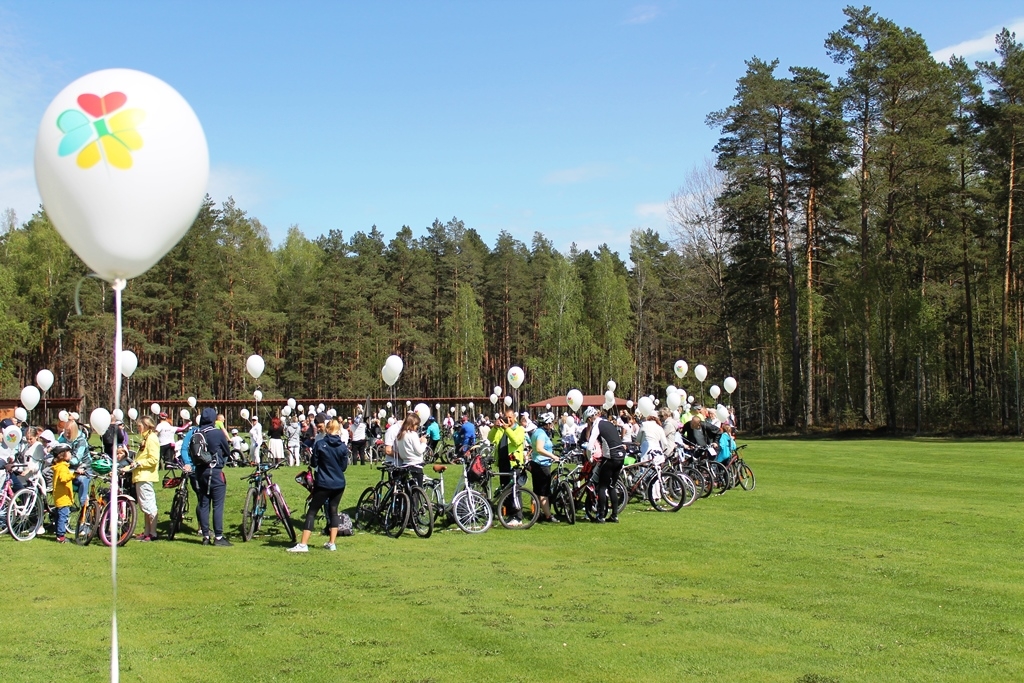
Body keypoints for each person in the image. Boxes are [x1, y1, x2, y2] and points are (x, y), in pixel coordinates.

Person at [288, 419, 349, 553]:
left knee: (312, 512)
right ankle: (332, 543)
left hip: (324, 483)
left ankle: (303, 544)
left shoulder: (320, 444)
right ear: (338, 430)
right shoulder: (343, 447)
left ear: (327, 429)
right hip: (339, 483)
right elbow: (344, 467)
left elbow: (314, 463)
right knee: (334, 511)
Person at [194, 407, 233, 546]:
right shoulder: (217, 433)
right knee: (218, 505)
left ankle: (205, 536)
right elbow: (227, 450)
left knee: (204, 504)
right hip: (215, 472)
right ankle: (218, 537)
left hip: (200, 472)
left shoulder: (197, 432)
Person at [585, 407, 626, 523]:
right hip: (621, 456)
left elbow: (589, 446)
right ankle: (614, 515)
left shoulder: (597, 425)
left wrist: (590, 459)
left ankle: (601, 516)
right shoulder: (608, 423)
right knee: (612, 486)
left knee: (602, 486)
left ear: (589, 419)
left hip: (610, 457)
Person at [488, 408, 527, 526]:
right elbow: (490, 439)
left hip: (514, 464)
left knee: (515, 490)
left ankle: (518, 516)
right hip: (503, 463)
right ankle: (510, 514)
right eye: (506, 417)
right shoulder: (500, 429)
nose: (508, 420)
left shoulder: (519, 429)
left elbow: (516, 441)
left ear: (514, 418)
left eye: (510, 417)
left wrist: (507, 429)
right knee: (505, 490)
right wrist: (495, 428)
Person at [124, 417, 160, 541]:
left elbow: (154, 459)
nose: (138, 429)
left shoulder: (152, 438)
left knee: (150, 506)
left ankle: (153, 533)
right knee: (145, 507)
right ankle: (146, 532)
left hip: (145, 476)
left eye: (139, 426)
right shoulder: (146, 438)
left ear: (146, 425)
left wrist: (139, 464)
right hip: (140, 476)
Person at [530, 412, 559, 522]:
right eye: (550, 423)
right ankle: (548, 515)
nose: (551, 425)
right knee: (543, 492)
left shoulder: (536, 432)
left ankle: (537, 513)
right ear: (546, 424)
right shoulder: (541, 434)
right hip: (542, 465)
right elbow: (539, 448)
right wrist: (553, 456)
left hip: (537, 463)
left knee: (537, 491)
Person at [60, 420, 91, 508]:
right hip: (69, 467)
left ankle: (84, 503)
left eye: (69, 433)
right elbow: (58, 446)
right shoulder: (64, 437)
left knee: (82, 479)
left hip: (83, 467)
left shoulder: (81, 441)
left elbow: (76, 459)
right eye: (66, 432)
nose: (67, 435)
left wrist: (63, 457)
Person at [50, 444, 75, 543]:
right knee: (63, 516)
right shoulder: (63, 467)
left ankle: (58, 534)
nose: (70, 454)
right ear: (63, 455)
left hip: (60, 496)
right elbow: (64, 478)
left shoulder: (59, 466)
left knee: (59, 516)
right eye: (68, 452)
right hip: (63, 497)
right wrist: (74, 474)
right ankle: (61, 537)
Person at [394, 413, 427, 485]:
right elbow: (419, 451)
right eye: (416, 425)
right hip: (415, 466)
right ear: (412, 424)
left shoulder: (400, 434)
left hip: (404, 465)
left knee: (407, 492)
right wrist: (424, 443)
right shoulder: (412, 434)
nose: (417, 427)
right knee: (417, 492)